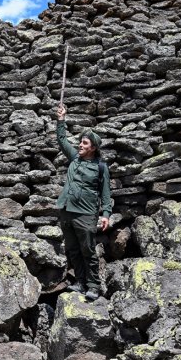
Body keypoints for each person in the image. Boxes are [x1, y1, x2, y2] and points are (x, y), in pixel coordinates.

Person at [56, 104, 112, 301]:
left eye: (85, 143)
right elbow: (62, 140)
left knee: (87, 249)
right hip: (66, 210)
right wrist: (61, 120)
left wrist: (105, 214)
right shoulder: (74, 158)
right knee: (72, 249)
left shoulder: (101, 167)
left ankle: (93, 285)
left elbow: (106, 194)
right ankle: (79, 281)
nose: (80, 145)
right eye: (80, 142)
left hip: (86, 213)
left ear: (93, 148)